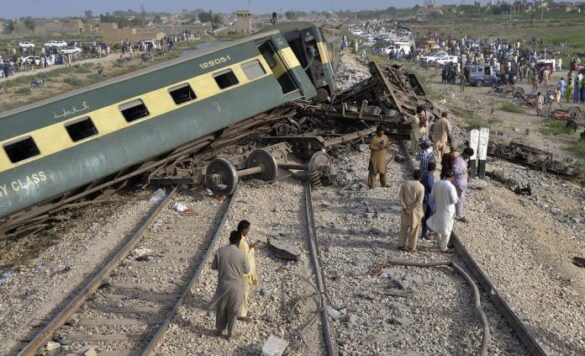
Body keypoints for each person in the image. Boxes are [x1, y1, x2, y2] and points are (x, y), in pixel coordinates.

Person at [210, 231, 250, 339]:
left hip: (223, 285)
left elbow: (213, 266)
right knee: (233, 311)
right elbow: (247, 270)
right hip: (237, 287)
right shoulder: (242, 254)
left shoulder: (220, 251)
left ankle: (219, 330)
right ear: (239, 241)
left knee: (221, 309)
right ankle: (230, 334)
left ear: (229, 239)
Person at [427, 171, 459, 252]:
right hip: (448, 210)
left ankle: (440, 243)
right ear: (451, 177)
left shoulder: (437, 183)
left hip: (438, 207)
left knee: (439, 225)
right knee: (447, 229)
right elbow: (454, 200)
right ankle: (444, 247)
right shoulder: (451, 187)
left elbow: (432, 195)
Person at [398, 170, 425, 252]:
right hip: (415, 211)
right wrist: (410, 208)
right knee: (414, 229)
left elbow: (400, 197)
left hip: (405, 210)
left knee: (404, 228)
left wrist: (405, 207)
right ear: (420, 177)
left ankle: (401, 245)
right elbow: (419, 202)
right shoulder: (421, 187)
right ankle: (411, 246)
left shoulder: (405, 184)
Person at [237, 220, 258, 320]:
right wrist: (252, 249)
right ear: (244, 230)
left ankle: (241, 310)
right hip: (244, 274)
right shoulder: (243, 243)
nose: (249, 231)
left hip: (239, 272)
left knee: (242, 292)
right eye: (248, 229)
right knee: (244, 293)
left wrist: (250, 247)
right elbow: (245, 258)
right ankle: (241, 314)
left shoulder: (238, 240)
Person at [452, 147, 474, 223]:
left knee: (460, 199)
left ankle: (456, 213)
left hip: (463, 182)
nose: (469, 157)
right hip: (458, 183)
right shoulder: (458, 160)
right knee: (459, 200)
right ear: (465, 153)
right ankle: (459, 216)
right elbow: (455, 171)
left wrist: (468, 174)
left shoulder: (464, 160)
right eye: (468, 156)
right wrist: (466, 170)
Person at [421, 161, 436, 240]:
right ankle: (425, 233)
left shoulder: (424, 175)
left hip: (424, 197)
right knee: (428, 216)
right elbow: (431, 187)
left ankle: (425, 231)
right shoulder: (430, 176)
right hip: (428, 199)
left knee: (426, 216)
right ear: (434, 169)